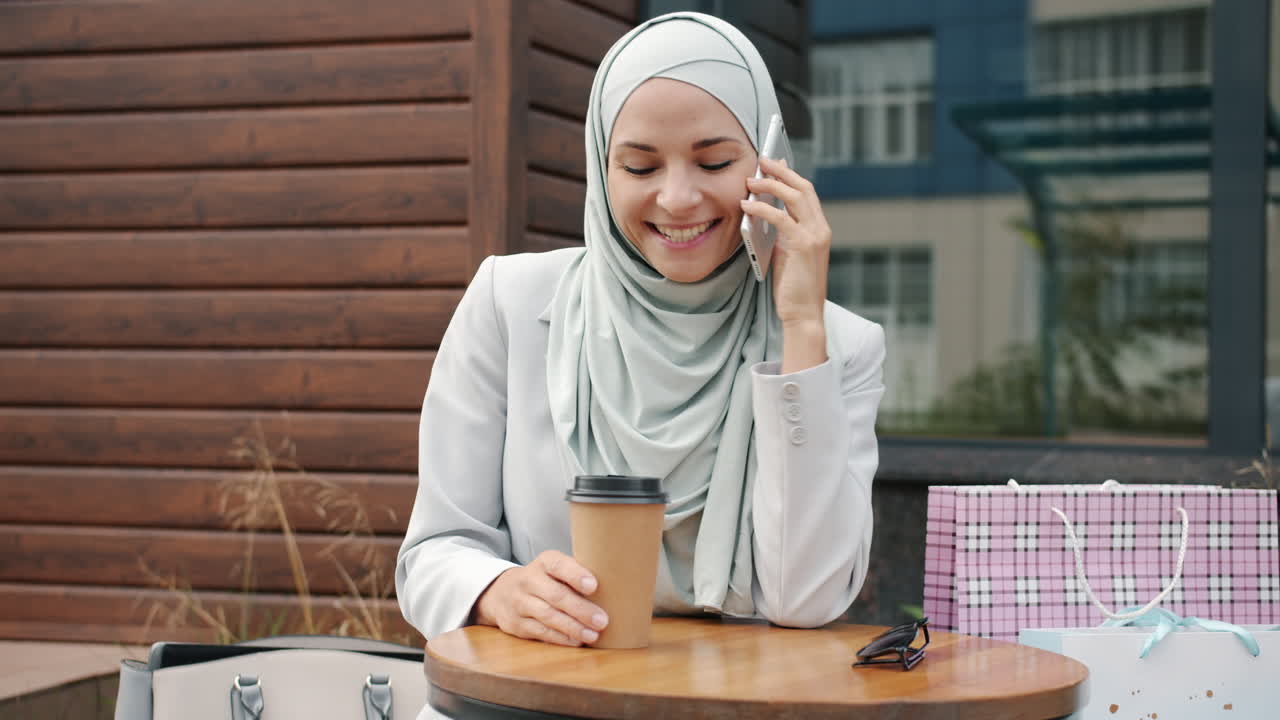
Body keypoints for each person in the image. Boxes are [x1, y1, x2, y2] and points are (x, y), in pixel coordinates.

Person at [396, 11, 885, 654]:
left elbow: (807, 599)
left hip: (741, 699)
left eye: (714, 161)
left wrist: (799, 327)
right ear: (601, 171)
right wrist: (497, 590)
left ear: (772, 165)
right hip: (542, 693)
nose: (677, 198)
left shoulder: (837, 346)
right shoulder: (509, 304)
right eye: (639, 167)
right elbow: (433, 552)